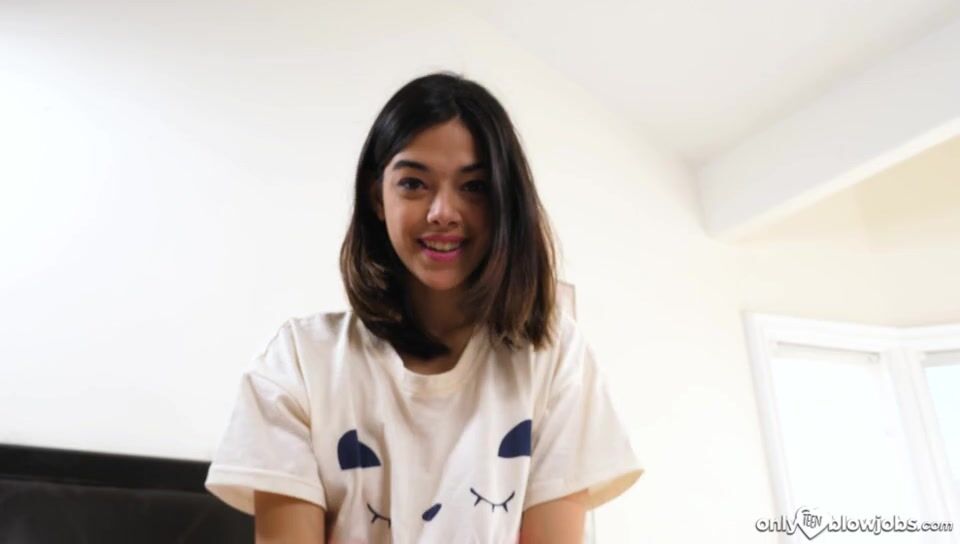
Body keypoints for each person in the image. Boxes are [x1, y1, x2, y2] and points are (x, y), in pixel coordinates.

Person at [205, 72, 643, 543]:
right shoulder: (299, 361)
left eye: (474, 187)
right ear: (377, 196)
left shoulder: (554, 355)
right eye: (413, 183)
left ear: (505, 201)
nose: (442, 213)